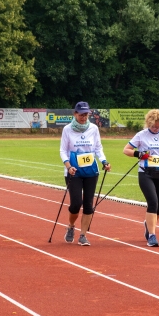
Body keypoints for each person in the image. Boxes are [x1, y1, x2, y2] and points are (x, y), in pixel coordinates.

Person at [123, 109, 159, 247]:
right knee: (153, 202)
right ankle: (152, 235)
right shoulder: (141, 135)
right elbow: (126, 150)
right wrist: (139, 154)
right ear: (149, 123)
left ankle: (148, 225)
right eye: (154, 126)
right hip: (146, 173)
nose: (156, 129)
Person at [60, 101, 111, 246]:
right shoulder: (67, 129)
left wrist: (104, 161)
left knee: (88, 204)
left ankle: (83, 235)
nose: (83, 117)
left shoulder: (93, 128)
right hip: (73, 171)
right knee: (76, 203)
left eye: (86, 115)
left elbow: (98, 148)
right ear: (75, 114)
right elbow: (63, 150)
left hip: (90, 171)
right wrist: (68, 166)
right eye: (81, 115)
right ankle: (71, 226)